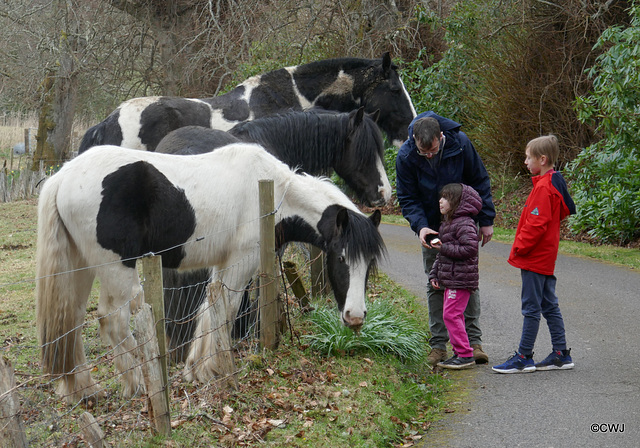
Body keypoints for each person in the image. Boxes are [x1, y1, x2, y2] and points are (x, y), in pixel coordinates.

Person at [396, 112, 495, 366]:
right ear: (414, 140)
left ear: (441, 137)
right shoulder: (406, 156)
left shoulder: (460, 142)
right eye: (423, 151)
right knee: (436, 282)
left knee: (465, 282)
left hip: (462, 225)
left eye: (432, 150)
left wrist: (486, 220)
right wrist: (420, 227)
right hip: (432, 228)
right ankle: (439, 346)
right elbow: (407, 198)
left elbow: (479, 180)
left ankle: (474, 343)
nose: (428, 155)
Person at [492, 135, 576, 374]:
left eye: (529, 157)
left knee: (531, 307)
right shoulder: (551, 183)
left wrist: (520, 247)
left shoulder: (544, 187)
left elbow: (536, 224)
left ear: (543, 159)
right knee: (549, 304)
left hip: (535, 257)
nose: (525, 161)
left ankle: (524, 356)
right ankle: (561, 353)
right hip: (545, 257)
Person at [429, 183, 482, 369]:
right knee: (451, 315)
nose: (440, 201)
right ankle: (460, 352)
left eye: (446, 198)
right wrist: (434, 274)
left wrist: (443, 247)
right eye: (441, 197)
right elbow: (441, 254)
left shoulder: (465, 223)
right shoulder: (448, 223)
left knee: (451, 314)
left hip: (461, 280)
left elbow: (470, 249)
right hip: (451, 279)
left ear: (458, 202)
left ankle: (465, 354)